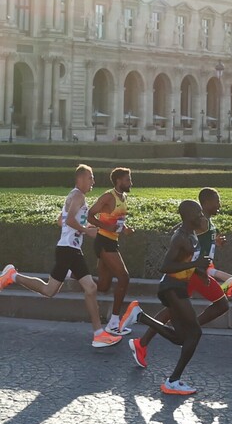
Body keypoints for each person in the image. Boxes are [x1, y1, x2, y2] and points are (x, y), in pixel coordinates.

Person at [130, 188, 232, 368]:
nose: (219, 205)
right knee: (222, 304)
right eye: (216, 200)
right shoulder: (201, 223)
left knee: (171, 311)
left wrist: (215, 242)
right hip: (196, 273)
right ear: (206, 203)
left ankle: (142, 343)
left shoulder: (205, 223)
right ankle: (188, 329)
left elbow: (190, 234)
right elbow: (181, 230)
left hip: (195, 272)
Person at [0, 164, 121, 348]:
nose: (93, 182)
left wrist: (84, 229)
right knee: (90, 288)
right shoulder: (78, 195)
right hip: (68, 250)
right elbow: (70, 220)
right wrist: (85, 231)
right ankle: (98, 334)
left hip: (69, 248)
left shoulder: (74, 196)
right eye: (90, 178)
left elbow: (61, 221)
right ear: (80, 179)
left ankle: (13, 275)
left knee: (51, 291)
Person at [119, 199, 211, 395]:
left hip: (178, 287)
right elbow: (166, 266)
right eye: (198, 213)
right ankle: (173, 381)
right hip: (172, 288)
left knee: (179, 338)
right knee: (195, 333)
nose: (201, 216)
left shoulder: (191, 236)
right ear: (187, 216)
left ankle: (140, 315)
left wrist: (200, 273)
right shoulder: (180, 238)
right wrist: (194, 266)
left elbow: (187, 262)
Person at [86, 166, 135, 335]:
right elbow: (90, 215)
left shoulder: (124, 197)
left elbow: (117, 221)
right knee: (124, 277)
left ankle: (76, 275)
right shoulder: (108, 196)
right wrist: (107, 226)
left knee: (104, 286)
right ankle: (114, 322)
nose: (131, 182)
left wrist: (125, 229)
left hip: (112, 242)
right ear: (119, 181)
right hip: (103, 242)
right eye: (128, 179)